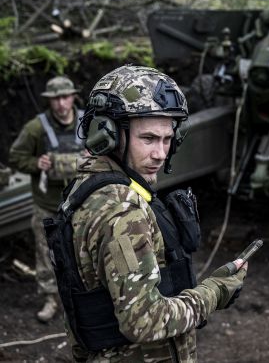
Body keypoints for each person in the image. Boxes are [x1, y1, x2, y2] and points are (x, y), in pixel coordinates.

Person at [43, 65, 247, 361]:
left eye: (167, 139)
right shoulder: (122, 209)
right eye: (149, 139)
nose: (161, 153)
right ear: (107, 135)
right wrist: (215, 292)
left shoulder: (89, 185)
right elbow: (145, 321)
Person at [8, 76, 86, 323]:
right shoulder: (36, 128)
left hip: (83, 203)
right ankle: (51, 299)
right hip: (47, 206)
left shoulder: (88, 122)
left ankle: (86, 298)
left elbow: (110, 151)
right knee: (46, 254)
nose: (61, 104)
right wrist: (35, 163)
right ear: (49, 101)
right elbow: (16, 156)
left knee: (85, 251)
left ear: (73, 96)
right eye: (56, 99)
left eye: (65, 97)